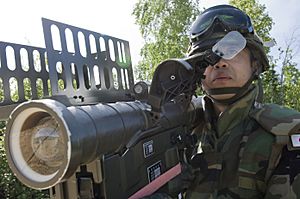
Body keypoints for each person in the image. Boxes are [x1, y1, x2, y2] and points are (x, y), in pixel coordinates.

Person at [146, 4, 300, 199]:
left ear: (255, 63)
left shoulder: (288, 132)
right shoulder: (178, 128)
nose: (219, 62)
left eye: (231, 50)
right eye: (207, 57)